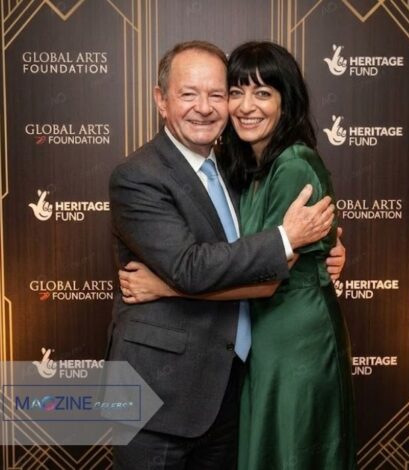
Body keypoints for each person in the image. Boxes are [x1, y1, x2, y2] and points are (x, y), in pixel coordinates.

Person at [108, 40, 345, 469]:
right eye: (188, 94)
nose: (206, 107)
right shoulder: (137, 176)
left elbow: (264, 261)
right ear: (161, 101)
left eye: (217, 93)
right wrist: (285, 240)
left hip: (229, 390)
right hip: (159, 398)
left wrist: (320, 249)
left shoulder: (235, 170)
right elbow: (191, 267)